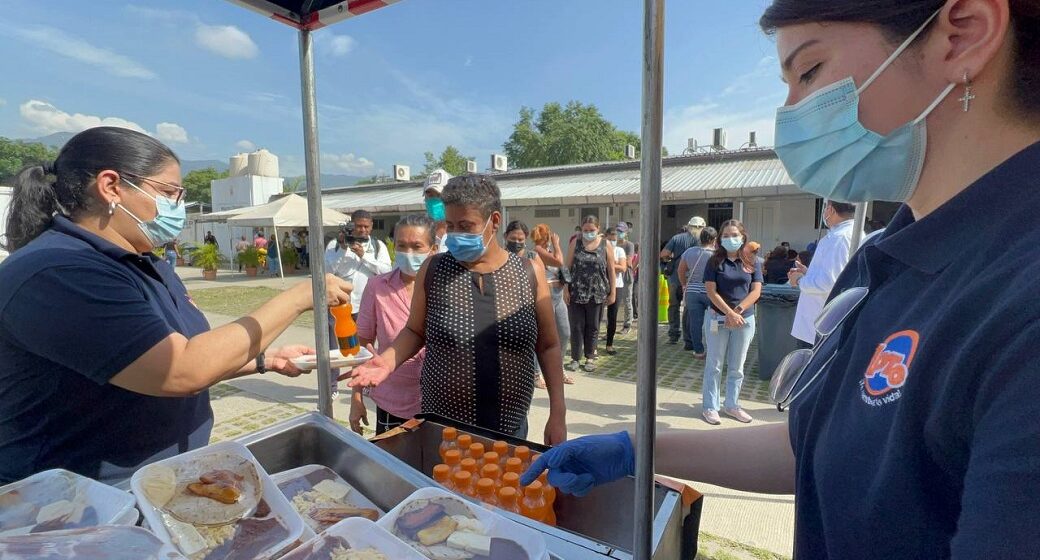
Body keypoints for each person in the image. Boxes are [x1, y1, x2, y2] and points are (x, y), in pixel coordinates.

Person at [522, 2, 1040, 557]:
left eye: (810, 71)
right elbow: (816, 444)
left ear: (963, 34)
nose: (790, 111)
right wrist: (640, 447)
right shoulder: (893, 254)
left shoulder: (1018, 299)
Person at [0, 127, 353, 484]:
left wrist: (266, 359)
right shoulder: (60, 272)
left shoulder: (144, 262)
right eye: (168, 193)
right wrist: (300, 296)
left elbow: (164, 354)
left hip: (157, 482)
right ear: (111, 186)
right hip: (78, 508)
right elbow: (181, 369)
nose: (178, 208)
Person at [346, 175, 568, 444]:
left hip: (510, 428)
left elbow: (548, 345)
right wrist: (388, 360)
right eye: (451, 226)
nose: (456, 235)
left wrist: (558, 412)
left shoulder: (529, 272)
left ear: (494, 221)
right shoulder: (434, 269)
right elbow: (415, 331)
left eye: (466, 226)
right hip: (444, 429)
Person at [350, 215, 437, 435]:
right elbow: (362, 345)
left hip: (438, 403)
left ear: (433, 249)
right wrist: (356, 397)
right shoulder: (378, 287)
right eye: (402, 246)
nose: (408, 253)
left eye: (417, 247)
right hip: (393, 402)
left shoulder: (446, 288)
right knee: (394, 465)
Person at [700, 220, 762, 425]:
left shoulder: (753, 261)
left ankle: (732, 404)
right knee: (714, 365)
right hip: (718, 318)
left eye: (733, 234)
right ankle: (710, 406)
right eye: (725, 235)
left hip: (744, 319)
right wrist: (728, 313)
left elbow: (756, 291)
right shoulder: (714, 261)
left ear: (743, 236)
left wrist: (737, 312)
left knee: (737, 366)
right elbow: (711, 290)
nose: (730, 238)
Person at [788, 200, 857, 348]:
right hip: (821, 325)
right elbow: (838, 274)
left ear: (830, 209)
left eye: (825, 207)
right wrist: (808, 272)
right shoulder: (849, 234)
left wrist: (799, 280)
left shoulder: (839, 238)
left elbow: (830, 282)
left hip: (819, 327)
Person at [565, 215, 616, 372]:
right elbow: (567, 267)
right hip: (576, 292)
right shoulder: (576, 243)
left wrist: (612, 292)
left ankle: (590, 357)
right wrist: (566, 289)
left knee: (593, 326)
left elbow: (611, 270)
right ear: (581, 229)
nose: (588, 233)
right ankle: (575, 358)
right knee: (576, 326)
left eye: (592, 230)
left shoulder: (605, 245)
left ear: (598, 229)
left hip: (597, 293)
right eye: (585, 230)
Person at [325, 210, 393, 317]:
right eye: (359, 226)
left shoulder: (378, 246)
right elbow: (327, 273)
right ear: (351, 225)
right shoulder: (334, 245)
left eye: (366, 226)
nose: (363, 230)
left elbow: (387, 272)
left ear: (371, 226)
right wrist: (342, 249)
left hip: (368, 306)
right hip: (340, 305)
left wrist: (364, 256)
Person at [531, 223, 574, 387]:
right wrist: (557, 245)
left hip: (557, 296)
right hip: (545, 296)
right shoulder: (538, 251)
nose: (549, 240)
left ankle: (558, 367)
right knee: (542, 335)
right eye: (548, 237)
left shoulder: (548, 251)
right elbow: (559, 262)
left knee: (564, 332)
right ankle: (536, 373)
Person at [660, 216, 704, 349]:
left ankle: (673, 335)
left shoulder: (677, 238)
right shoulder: (703, 241)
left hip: (675, 278)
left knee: (673, 306)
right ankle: (688, 340)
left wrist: (672, 257)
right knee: (689, 309)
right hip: (693, 279)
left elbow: (663, 254)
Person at [677, 227, 718, 359]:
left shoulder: (689, 252)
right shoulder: (717, 255)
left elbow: (681, 270)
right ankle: (715, 348)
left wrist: (684, 284)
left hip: (692, 291)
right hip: (711, 291)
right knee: (715, 321)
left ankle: (698, 351)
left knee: (695, 322)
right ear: (714, 239)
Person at [602, 228, 628, 356]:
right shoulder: (600, 250)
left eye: (614, 240)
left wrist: (609, 264)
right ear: (605, 238)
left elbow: (622, 268)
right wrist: (614, 264)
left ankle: (609, 344)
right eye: (610, 239)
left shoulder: (620, 250)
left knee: (612, 317)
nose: (612, 242)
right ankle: (592, 347)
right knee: (596, 317)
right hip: (600, 286)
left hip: (617, 286)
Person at [614, 222, 636, 334]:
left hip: (626, 276)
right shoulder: (612, 244)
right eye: (618, 231)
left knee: (627, 300)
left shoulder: (629, 245)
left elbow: (628, 261)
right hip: (614, 276)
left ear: (626, 232)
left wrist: (616, 262)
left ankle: (627, 325)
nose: (619, 233)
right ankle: (611, 326)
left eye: (621, 231)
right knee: (612, 301)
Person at [422, 169, 451, 254]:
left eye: (439, 195)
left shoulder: (461, 231)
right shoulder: (419, 231)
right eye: (430, 195)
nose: (434, 200)